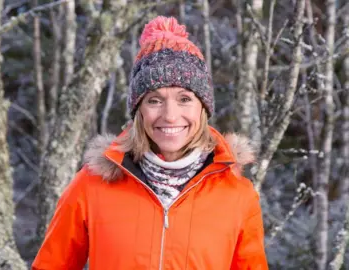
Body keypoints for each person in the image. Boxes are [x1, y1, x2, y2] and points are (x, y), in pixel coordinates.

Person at [32, 16, 268, 270]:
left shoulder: (238, 195)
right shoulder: (92, 184)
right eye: (154, 100)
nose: (170, 115)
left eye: (184, 99)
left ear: (203, 108)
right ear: (139, 110)